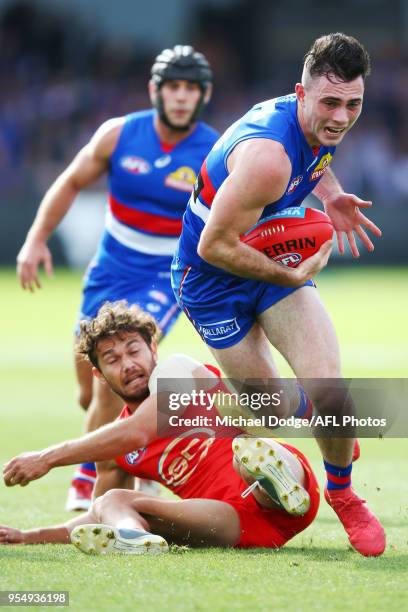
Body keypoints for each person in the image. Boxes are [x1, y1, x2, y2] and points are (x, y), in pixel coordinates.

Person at [170, 33, 385, 557]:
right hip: (209, 278)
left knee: (332, 393)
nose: (341, 116)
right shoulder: (268, 157)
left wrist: (331, 197)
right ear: (301, 94)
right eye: (330, 103)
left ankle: (342, 492)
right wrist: (286, 276)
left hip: (266, 256)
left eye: (353, 103)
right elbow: (213, 245)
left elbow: (316, 157)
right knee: (267, 415)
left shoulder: (318, 121)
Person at [16, 45, 219, 510]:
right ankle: (133, 462)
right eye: (174, 86)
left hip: (166, 274)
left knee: (120, 371)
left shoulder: (213, 149)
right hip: (108, 269)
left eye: (192, 88)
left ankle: (88, 483)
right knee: (91, 386)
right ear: (156, 90)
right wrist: (36, 238)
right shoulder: (118, 135)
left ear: (203, 95)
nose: (182, 97)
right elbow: (69, 182)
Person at [1, 301, 321, 554]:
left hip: (290, 485)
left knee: (247, 454)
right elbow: (97, 518)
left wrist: (46, 457)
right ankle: (136, 541)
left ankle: (275, 486)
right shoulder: (116, 447)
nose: (127, 364)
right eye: (112, 359)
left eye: (133, 350)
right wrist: (29, 537)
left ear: (153, 348)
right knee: (110, 501)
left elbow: (138, 431)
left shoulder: (178, 371)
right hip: (229, 520)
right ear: (100, 376)